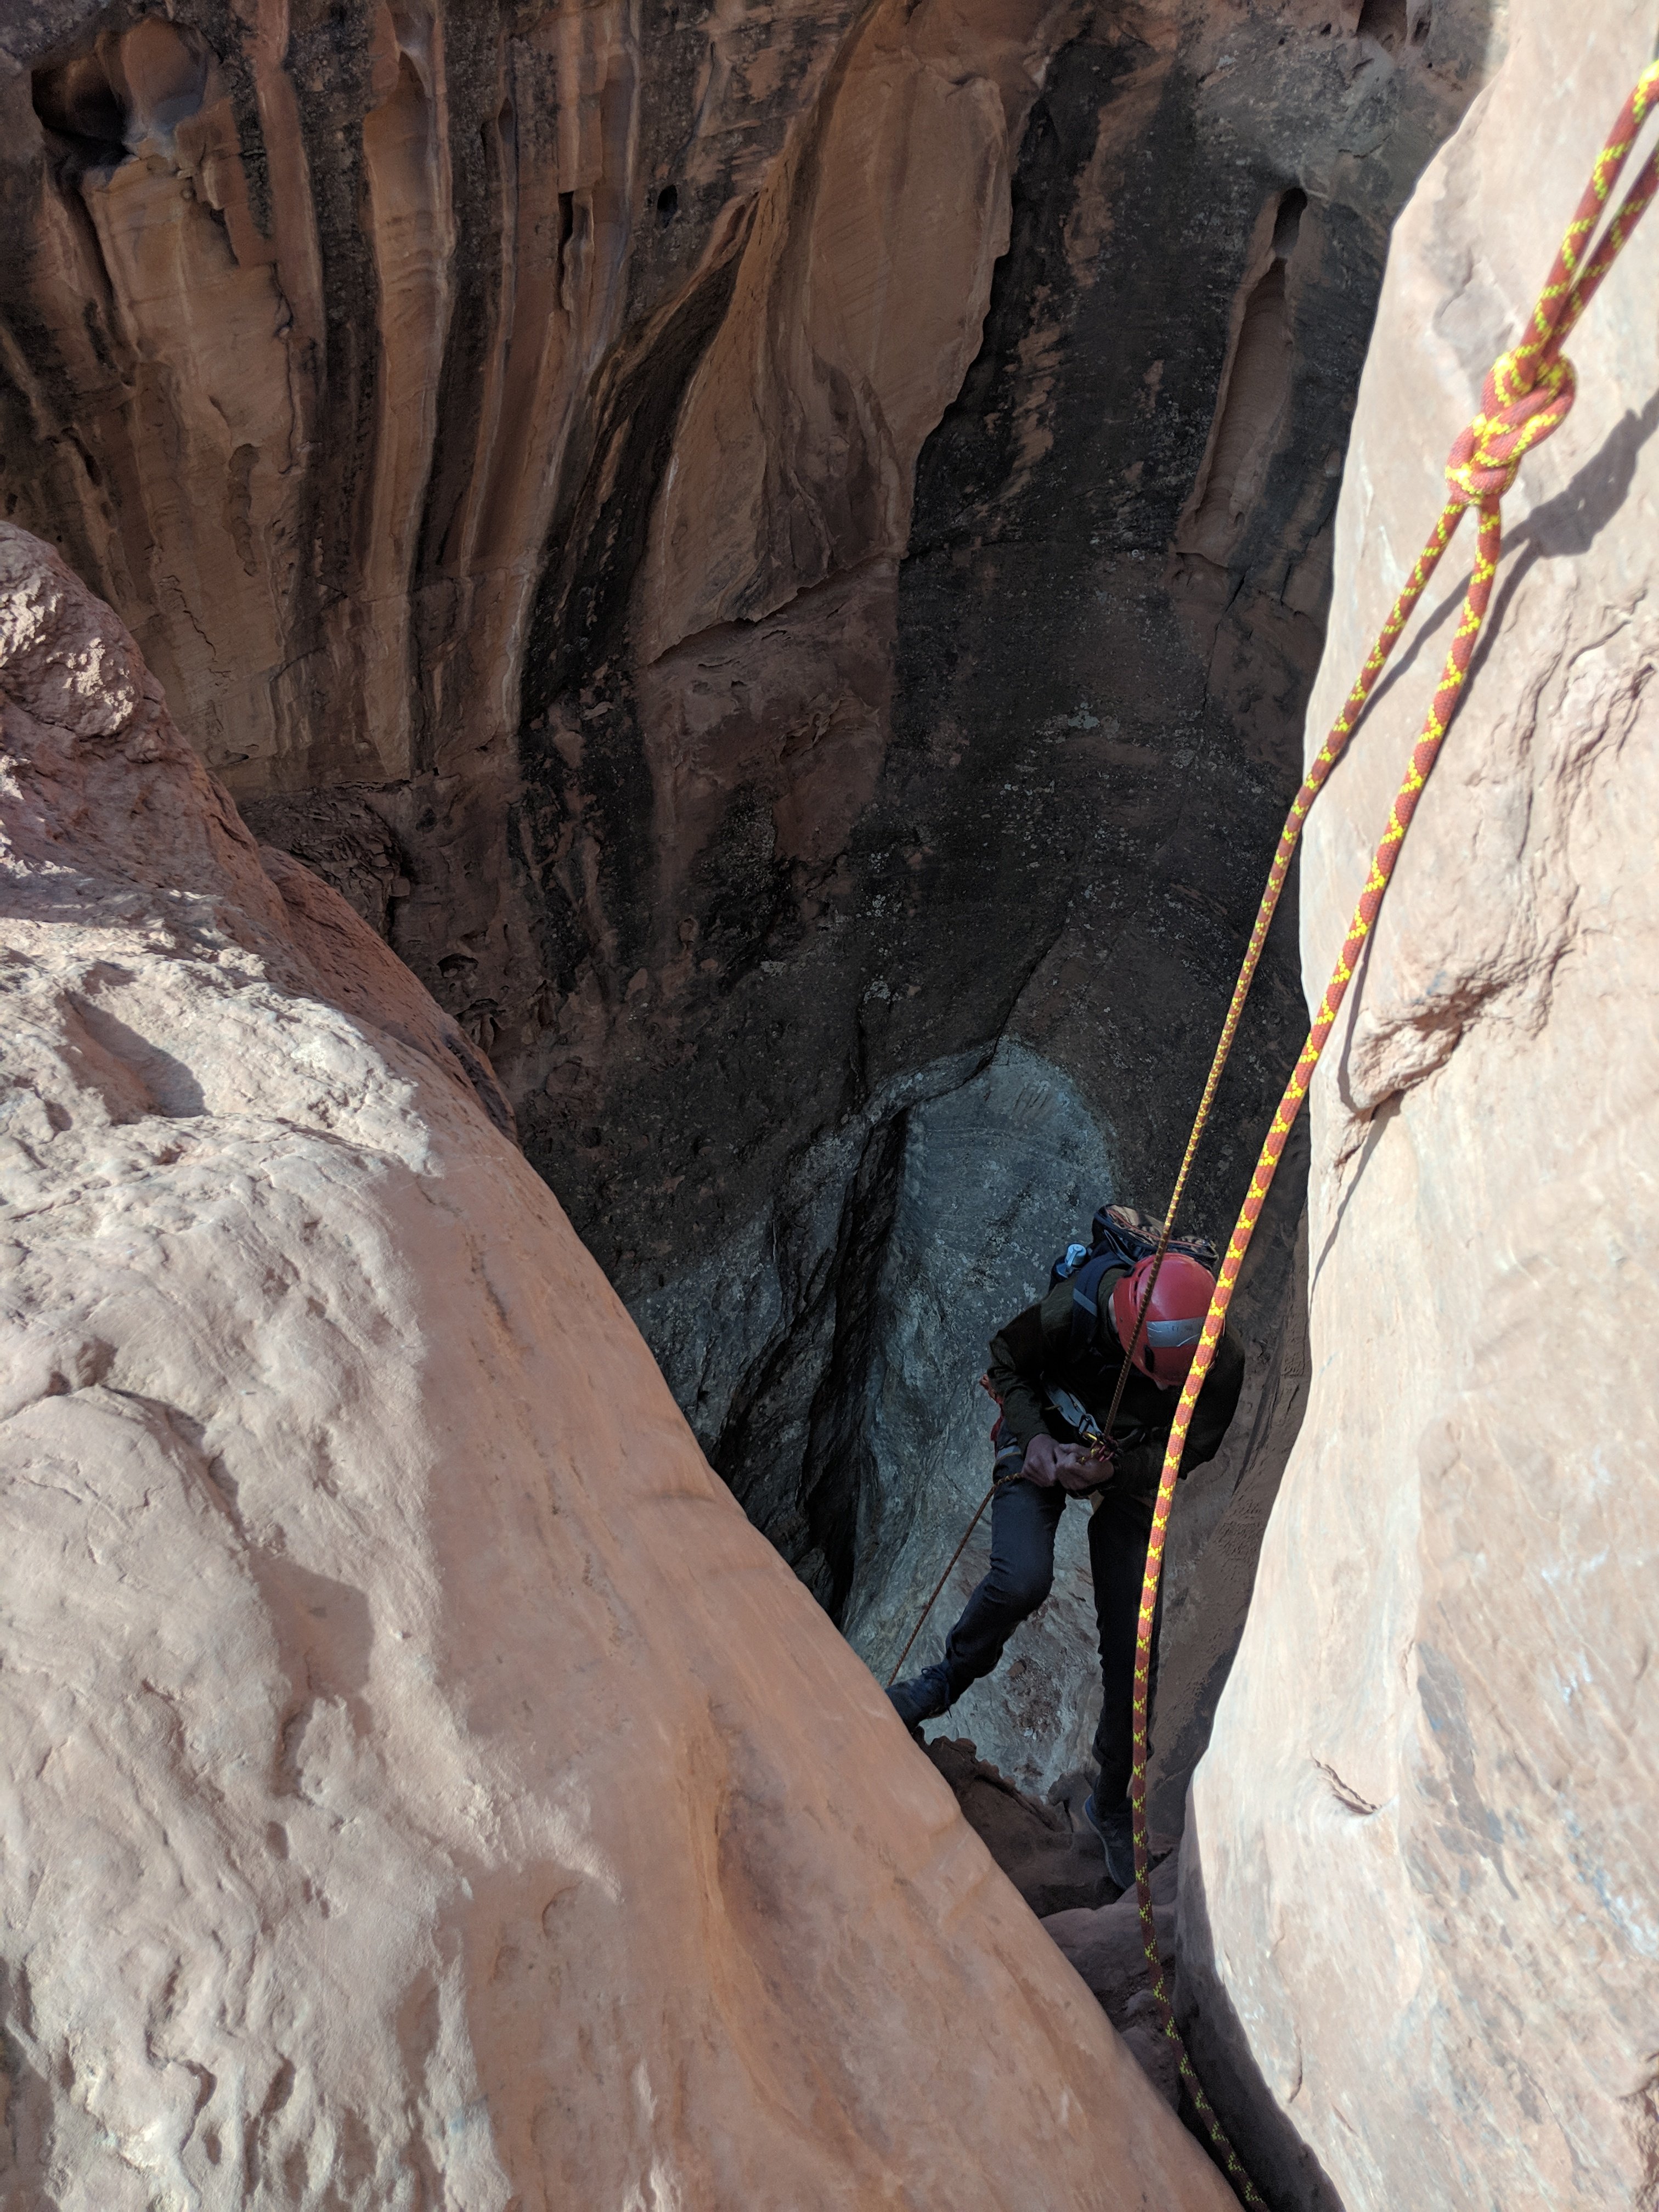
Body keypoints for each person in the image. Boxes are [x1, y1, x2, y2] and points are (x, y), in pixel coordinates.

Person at [887, 1214, 1244, 1887]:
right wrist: (1038, 1443)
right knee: (1022, 1578)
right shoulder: (1080, 1308)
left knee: (1134, 1649)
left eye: (1177, 1382)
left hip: (1130, 1467)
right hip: (1045, 1435)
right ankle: (939, 1684)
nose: (1170, 1389)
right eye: (1160, 1378)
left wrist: (1119, 1473)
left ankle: (1112, 1802)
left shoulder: (1218, 1360)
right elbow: (1005, 1361)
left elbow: (1190, 1451)